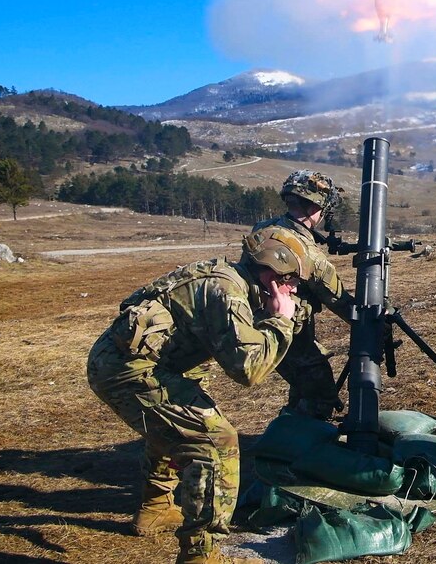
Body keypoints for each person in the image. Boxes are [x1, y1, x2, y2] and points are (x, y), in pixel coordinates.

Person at [86, 231, 304, 564]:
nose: (292, 289)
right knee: (215, 441)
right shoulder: (225, 292)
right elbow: (248, 370)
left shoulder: (229, 279)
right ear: (272, 274)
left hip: (128, 363)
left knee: (177, 424)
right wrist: (281, 321)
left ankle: (155, 507)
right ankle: (201, 554)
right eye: (289, 281)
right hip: (127, 372)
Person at [251, 170, 355, 420]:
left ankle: (291, 426)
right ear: (317, 207)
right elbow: (339, 300)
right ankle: (300, 445)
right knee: (319, 390)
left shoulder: (264, 229)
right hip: (286, 329)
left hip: (257, 323)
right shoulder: (307, 253)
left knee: (302, 385)